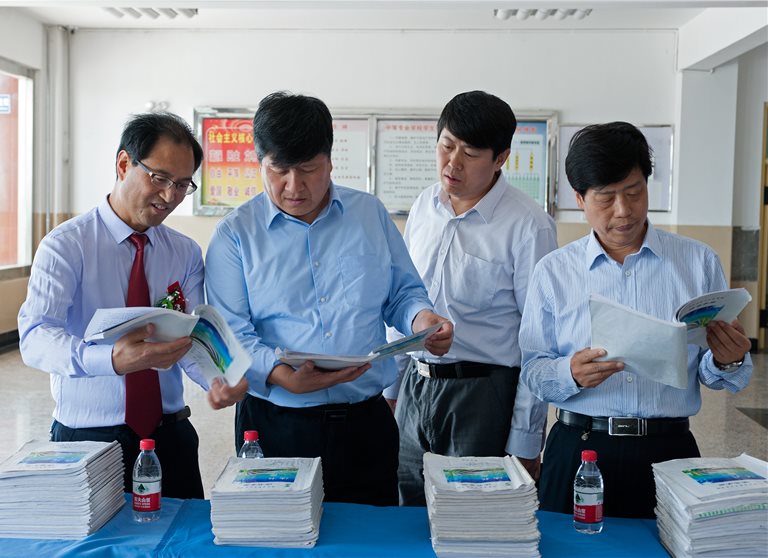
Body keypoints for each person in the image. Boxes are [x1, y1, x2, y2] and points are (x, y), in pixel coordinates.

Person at [205, 91, 454, 507]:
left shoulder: (369, 214)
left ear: (330, 161)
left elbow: (402, 294)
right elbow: (231, 333)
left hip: (364, 422)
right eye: (279, 170)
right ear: (260, 162)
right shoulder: (235, 235)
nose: (294, 186)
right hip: (275, 424)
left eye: (308, 169)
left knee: (369, 534)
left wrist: (422, 320)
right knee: (278, 534)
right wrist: (280, 374)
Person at [519, 121, 753, 519]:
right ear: (580, 198)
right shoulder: (554, 272)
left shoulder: (697, 263)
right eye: (606, 197)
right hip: (580, 447)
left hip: (669, 451)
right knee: (570, 546)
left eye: (634, 192)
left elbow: (716, 375)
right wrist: (569, 373)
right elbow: (532, 371)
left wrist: (727, 359)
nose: (623, 210)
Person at [18, 112, 248, 499]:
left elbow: (192, 337)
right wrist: (110, 360)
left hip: (170, 435)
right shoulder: (67, 246)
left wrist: (216, 379)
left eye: (182, 184)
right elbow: (36, 337)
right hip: (88, 438)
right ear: (124, 164)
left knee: (183, 532)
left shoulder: (184, 253)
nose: (170, 196)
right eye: (159, 178)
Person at [391, 91, 557, 506]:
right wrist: (390, 392)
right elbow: (403, 298)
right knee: (406, 506)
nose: (453, 164)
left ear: (501, 158)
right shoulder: (424, 206)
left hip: (482, 394)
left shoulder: (528, 225)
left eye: (470, 154)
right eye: (446, 146)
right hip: (415, 387)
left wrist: (526, 439)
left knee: (473, 512)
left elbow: (538, 340)